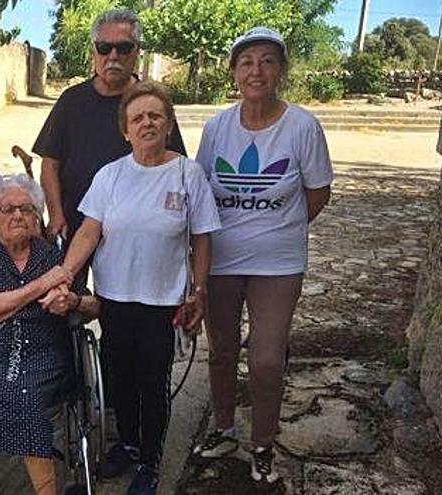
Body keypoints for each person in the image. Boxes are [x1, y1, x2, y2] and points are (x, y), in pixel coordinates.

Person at [55, 81, 220, 494]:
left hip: (162, 300)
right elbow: (89, 230)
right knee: (120, 377)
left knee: (153, 380)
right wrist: (64, 273)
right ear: (125, 130)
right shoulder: (110, 176)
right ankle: (127, 445)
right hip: (114, 296)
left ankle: (150, 460)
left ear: (168, 124)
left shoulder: (187, 173)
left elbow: (202, 237)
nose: (146, 123)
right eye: (137, 118)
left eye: (155, 116)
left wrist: (199, 291)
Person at [191, 27, 333, 486]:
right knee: (222, 350)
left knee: (267, 357)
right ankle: (224, 428)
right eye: (247, 61)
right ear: (234, 72)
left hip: (278, 262)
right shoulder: (217, 127)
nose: (257, 70)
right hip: (223, 259)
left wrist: (280, 228)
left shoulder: (302, 126)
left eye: (267, 61)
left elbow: (318, 191)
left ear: (280, 71)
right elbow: (201, 189)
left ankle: (264, 442)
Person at [0, 174, 100, 495]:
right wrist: (40, 287)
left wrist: (71, 300)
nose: (17, 215)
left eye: (26, 209)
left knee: (25, 393)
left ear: (37, 215)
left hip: (40, 351)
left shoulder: (52, 256)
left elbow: (94, 305)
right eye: (7, 209)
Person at [33, 8, 186, 245]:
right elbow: (50, 164)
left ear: (137, 52)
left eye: (123, 48)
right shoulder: (71, 100)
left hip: (135, 227)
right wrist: (55, 214)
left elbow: (176, 165)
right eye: (104, 48)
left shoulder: (152, 103)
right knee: (67, 281)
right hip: (75, 223)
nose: (113, 56)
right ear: (94, 50)